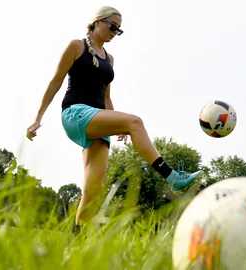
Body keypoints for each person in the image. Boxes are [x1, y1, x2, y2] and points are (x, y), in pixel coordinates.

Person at [25, 6, 204, 226]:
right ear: (97, 22)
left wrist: (114, 122)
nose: (114, 32)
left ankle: (77, 241)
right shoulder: (76, 46)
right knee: (135, 121)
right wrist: (38, 118)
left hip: (97, 119)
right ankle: (173, 177)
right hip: (76, 113)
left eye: (118, 30)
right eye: (112, 26)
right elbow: (56, 81)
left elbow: (106, 96)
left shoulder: (109, 59)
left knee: (93, 189)